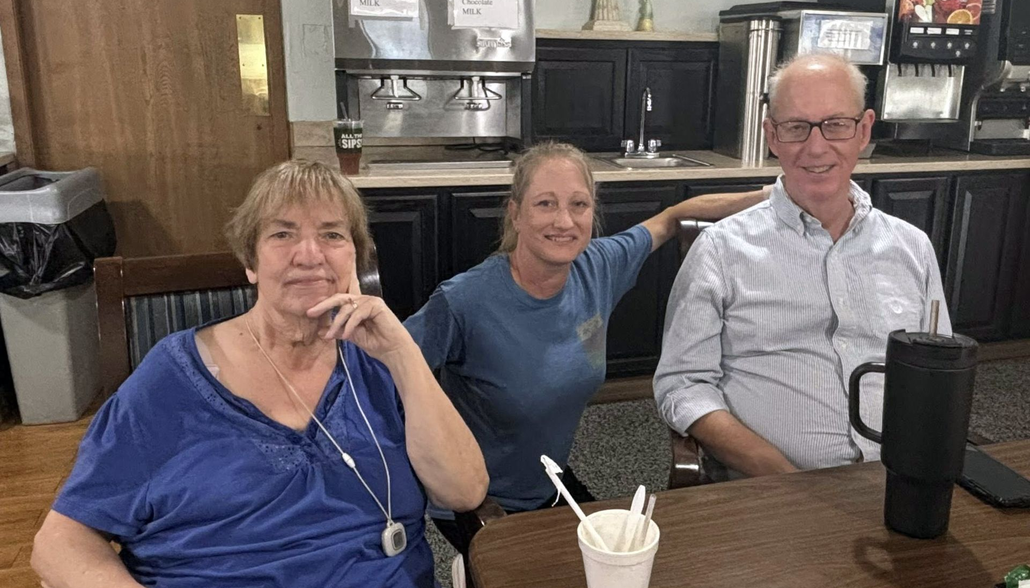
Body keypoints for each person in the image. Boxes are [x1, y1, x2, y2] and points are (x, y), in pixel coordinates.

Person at [31, 160, 488, 588]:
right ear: (250, 262)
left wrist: (403, 354)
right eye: (283, 235)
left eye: (331, 235)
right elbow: (61, 544)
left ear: (354, 258)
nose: (310, 255)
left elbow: (465, 492)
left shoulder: (380, 361)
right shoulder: (170, 378)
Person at [403, 141, 767, 551]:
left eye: (579, 204)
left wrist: (772, 195)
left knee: (628, 562)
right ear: (515, 213)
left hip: (548, 481)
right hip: (479, 501)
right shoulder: (464, 301)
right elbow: (381, 375)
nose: (564, 220)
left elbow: (674, 216)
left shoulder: (598, 265)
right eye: (545, 204)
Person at [653, 54, 951, 481]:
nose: (816, 147)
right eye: (796, 127)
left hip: (898, 481)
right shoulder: (721, 251)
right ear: (771, 136)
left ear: (864, 130)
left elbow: (938, 374)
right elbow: (682, 384)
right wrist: (779, 474)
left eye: (836, 124)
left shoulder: (912, 248)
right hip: (770, 497)